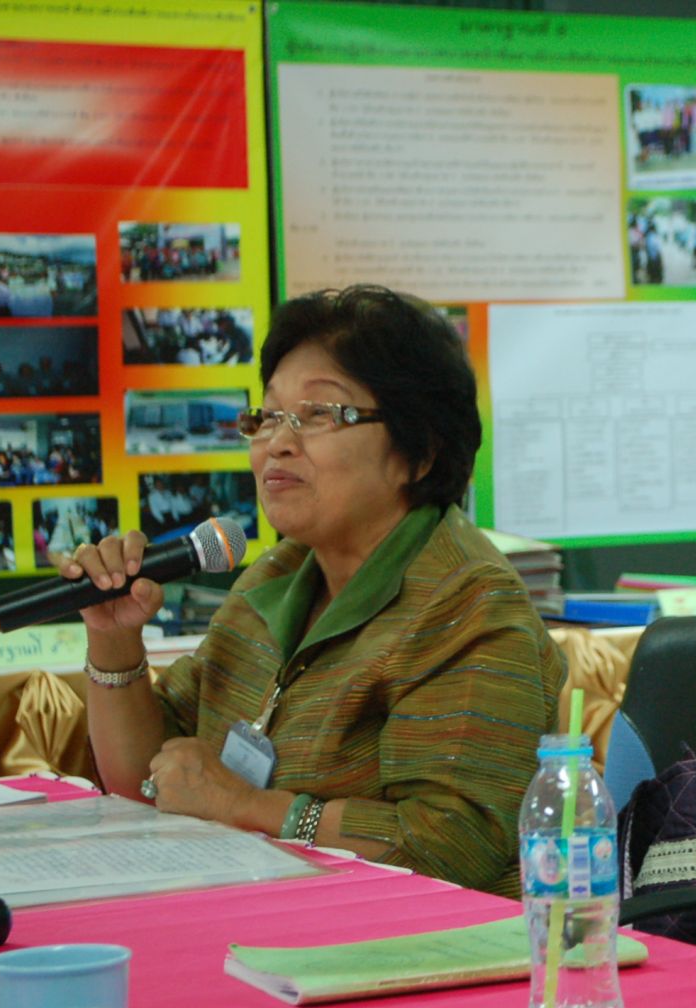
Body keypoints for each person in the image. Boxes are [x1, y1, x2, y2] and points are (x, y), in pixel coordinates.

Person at [63, 285, 566, 897]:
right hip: (265, 912)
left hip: (418, 939)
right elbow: (155, 779)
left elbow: (452, 843)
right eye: (269, 415)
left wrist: (246, 805)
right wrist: (115, 642)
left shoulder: (470, 606)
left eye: (321, 414)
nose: (278, 441)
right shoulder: (278, 576)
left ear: (419, 453)